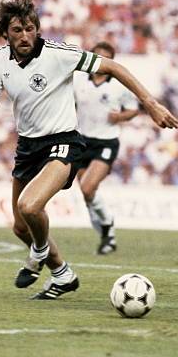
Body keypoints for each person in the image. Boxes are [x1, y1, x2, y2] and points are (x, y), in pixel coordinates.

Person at [0, 0, 178, 300]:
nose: (25, 35)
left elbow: (113, 67)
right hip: (28, 146)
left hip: (63, 141)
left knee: (30, 206)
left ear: (37, 28)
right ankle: (63, 274)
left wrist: (150, 104)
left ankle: (38, 254)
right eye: (17, 30)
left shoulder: (58, 53)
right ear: (5, 33)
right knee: (20, 227)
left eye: (30, 28)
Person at [74, 41, 139, 255]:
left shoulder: (119, 84)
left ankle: (108, 224)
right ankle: (106, 236)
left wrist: (119, 116)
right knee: (88, 194)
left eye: (105, 58)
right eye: (97, 57)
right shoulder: (78, 80)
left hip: (106, 142)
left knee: (87, 187)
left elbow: (133, 110)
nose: (101, 62)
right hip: (82, 140)